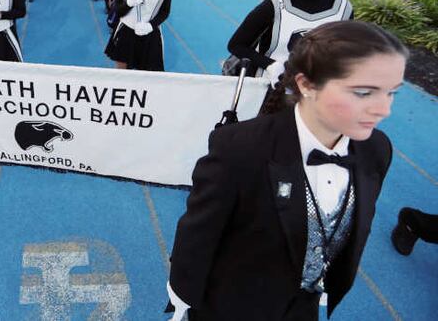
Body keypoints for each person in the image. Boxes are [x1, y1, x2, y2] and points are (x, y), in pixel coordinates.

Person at [167, 20, 408, 321]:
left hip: (303, 309)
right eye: (362, 92)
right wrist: (182, 296)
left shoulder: (377, 149)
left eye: (391, 93)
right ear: (307, 84)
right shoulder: (240, 149)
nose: (383, 110)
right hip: (233, 305)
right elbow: (198, 232)